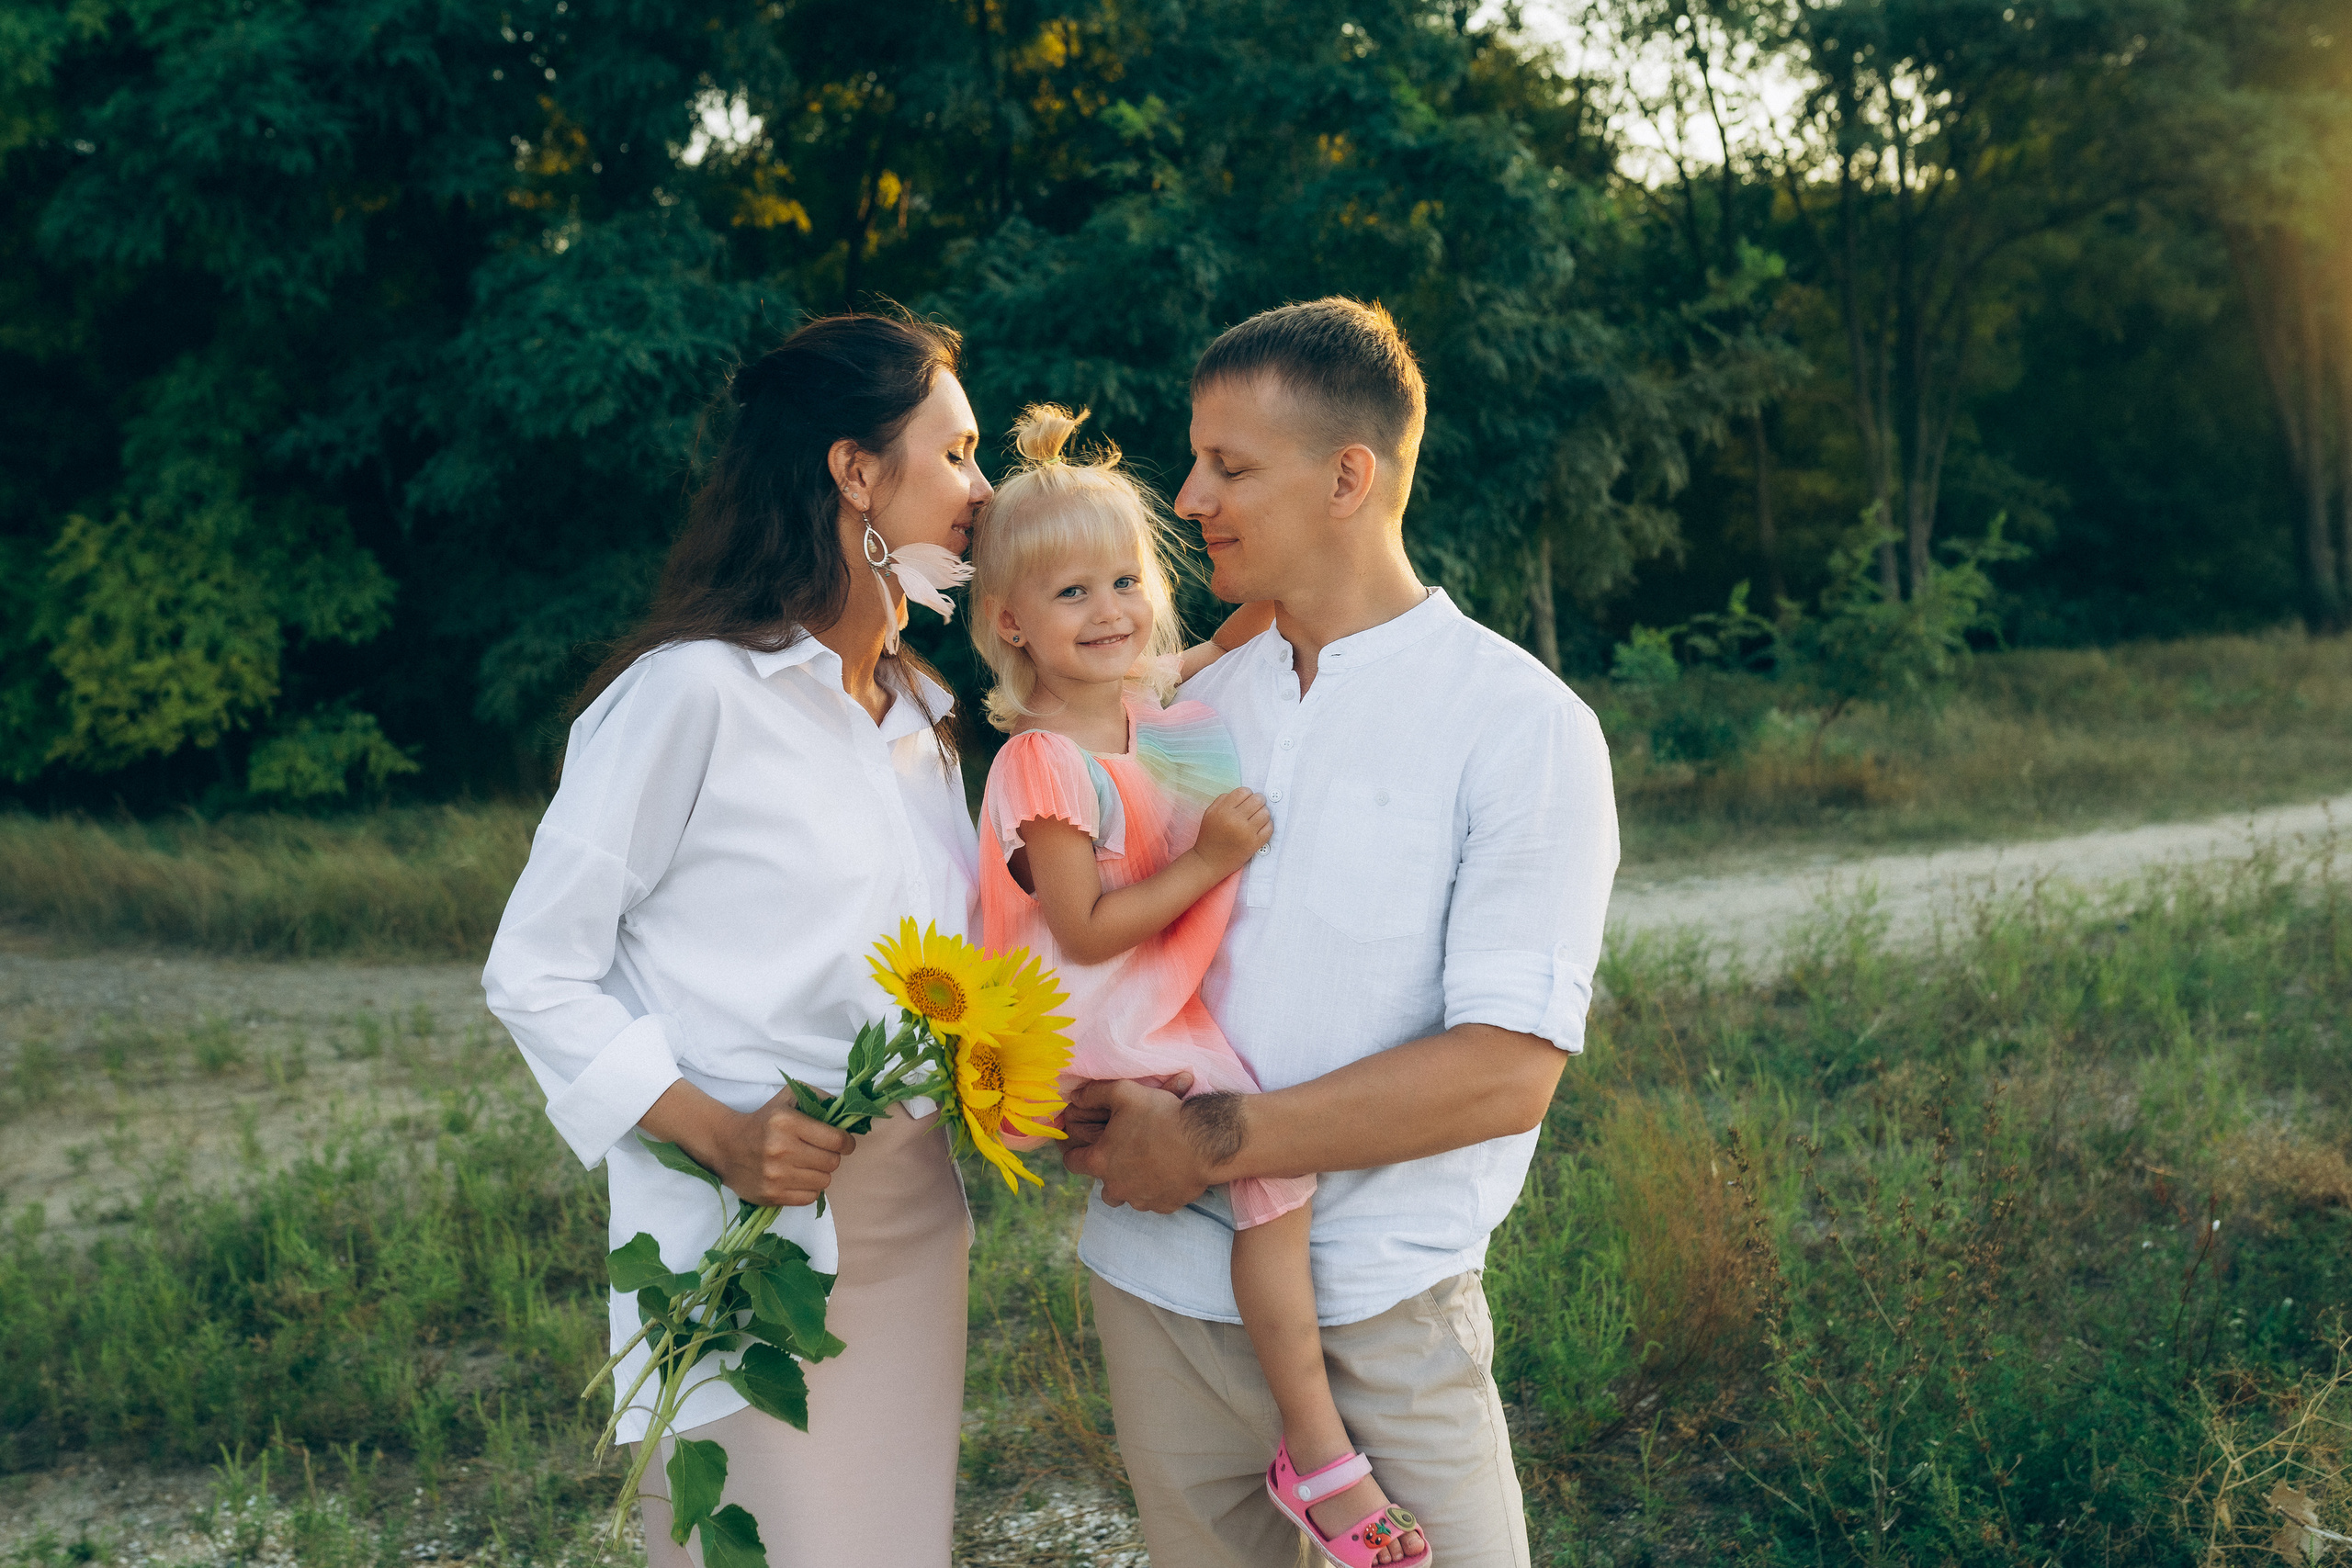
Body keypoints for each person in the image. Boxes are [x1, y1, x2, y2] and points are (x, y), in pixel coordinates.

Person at [1059, 298, 1620, 1568]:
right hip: (1165, 1300)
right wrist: (1077, 1099)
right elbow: (1139, 961)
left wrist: (1205, 1140)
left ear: (1349, 478)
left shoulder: (1520, 724)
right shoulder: (1191, 706)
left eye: (1231, 464)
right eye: (1195, 457)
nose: (1190, 493)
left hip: (1385, 1310)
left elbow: (1506, 1069)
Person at [481, 312, 991, 1568]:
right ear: (854, 471)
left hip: (917, 1218)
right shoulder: (690, 693)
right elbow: (534, 965)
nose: (984, 492)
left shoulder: (926, 714)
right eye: (958, 453)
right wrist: (721, 1132)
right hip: (742, 1240)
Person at [967, 405, 1429, 1567]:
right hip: (1089, 1018)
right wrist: (1212, 858)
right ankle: (1318, 1455)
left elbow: (1244, 625)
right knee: (1271, 1172)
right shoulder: (1042, 757)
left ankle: (1306, 1442)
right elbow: (1080, 929)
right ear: (1011, 624)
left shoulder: (1140, 705)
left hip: (1135, 1013)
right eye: (1071, 595)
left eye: (1124, 580)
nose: (1111, 610)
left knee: (1272, 1188)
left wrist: (1312, 558)